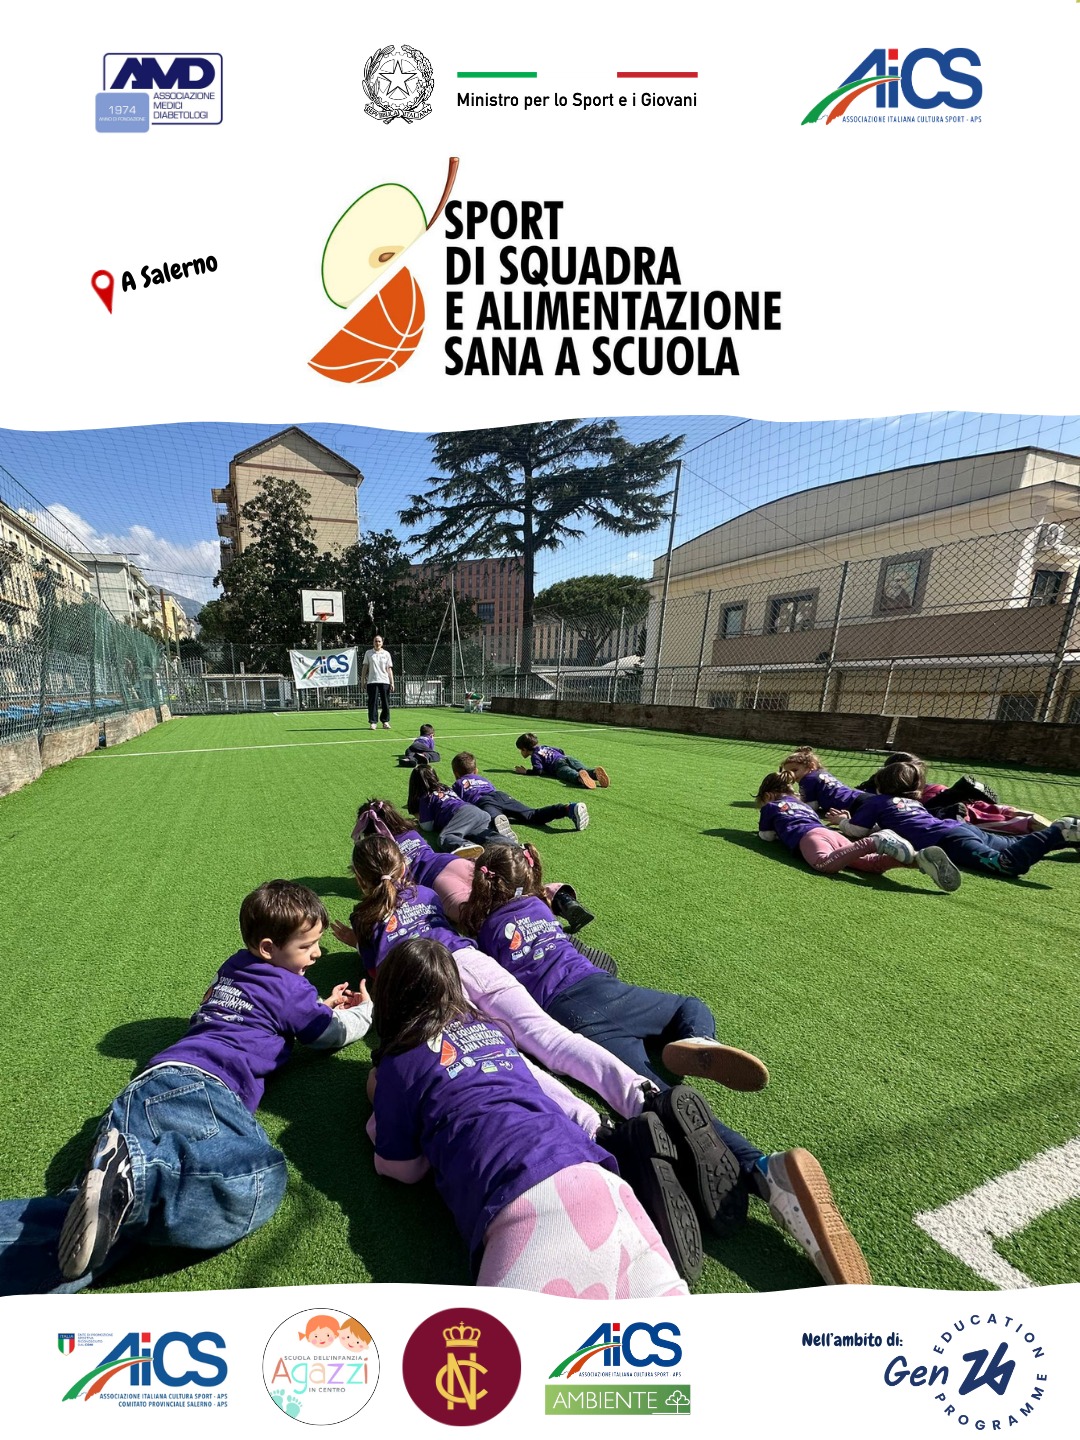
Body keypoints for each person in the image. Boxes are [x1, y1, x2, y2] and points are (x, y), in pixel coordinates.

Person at [458, 844, 873, 1286]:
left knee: (657, 1095)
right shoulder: (540, 908)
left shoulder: (484, 930)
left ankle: (764, 1172)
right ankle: (697, 1039)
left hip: (569, 1013)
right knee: (687, 1005)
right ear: (530, 876)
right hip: (607, 987)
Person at [0, 882, 371, 1296]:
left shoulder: (234, 966)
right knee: (257, 1180)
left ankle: (123, 1178)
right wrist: (365, 1010)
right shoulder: (292, 989)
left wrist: (318, 1006)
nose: (317, 954)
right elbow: (329, 1035)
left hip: (147, 1089)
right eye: (307, 946)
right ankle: (138, 1172)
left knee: (91, 1235)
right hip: (203, 1090)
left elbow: (262, 1011)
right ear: (269, 948)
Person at [367, 937, 690, 1295]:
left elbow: (401, 1169)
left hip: (524, 1201)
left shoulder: (399, 1066)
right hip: (595, 1173)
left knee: (512, 1333)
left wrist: (378, 1106)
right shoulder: (491, 1029)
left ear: (389, 997)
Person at [351, 796, 595, 931]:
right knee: (499, 887)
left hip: (435, 881)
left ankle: (539, 935)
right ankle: (560, 898)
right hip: (451, 862)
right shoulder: (411, 831)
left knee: (475, 916)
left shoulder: (377, 852)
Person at [837, 760, 1080, 878]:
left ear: (880, 784)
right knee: (1016, 845)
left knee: (1006, 864)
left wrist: (841, 822)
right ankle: (1069, 835)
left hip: (950, 840)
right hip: (960, 828)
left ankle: (1059, 830)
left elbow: (857, 831)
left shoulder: (876, 802)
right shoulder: (914, 803)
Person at [755, 771, 961, 891]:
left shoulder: (771, 806)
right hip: (830, 833)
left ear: (768, 795)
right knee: (870, 863)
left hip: (808, 836)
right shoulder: (805, 806)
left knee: (824, 863)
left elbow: (767, 836)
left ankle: (875, 842)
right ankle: (919, 859)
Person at [452, 751, 589, 832]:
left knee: (489, 819)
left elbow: (459, 805)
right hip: (500, 795)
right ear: (476, 771)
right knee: (532, 814)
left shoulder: (458, 784)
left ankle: (498, 821)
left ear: (456, 774)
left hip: (483, 802)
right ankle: (568, 808)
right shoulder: (483, 779)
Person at [413, 762, 519, 852]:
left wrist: (419, 818)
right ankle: (514, 846)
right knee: (480, 836)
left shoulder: (426, 796)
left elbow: (427, 826)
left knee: (445, 838)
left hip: (461, 815)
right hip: (477, 812)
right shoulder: (446, 788)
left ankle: (467, 846)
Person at [515, 732, 609, 790]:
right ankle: (594, 773)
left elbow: (538, 770)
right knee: (583, 768)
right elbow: (560, 750)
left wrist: (526, 771)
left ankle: (579, 778)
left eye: (520, 750)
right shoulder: (544, 747)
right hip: (567, 758)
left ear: (524, 749)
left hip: (557, 766)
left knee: (569, 773)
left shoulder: (535, 756)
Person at [360, 635, 394, 730]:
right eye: (375, 641)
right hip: (372, 681)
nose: (377, 643)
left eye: (379, 641)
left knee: (385, 702)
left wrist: (392, 682)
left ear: (382, 643)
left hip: (384, 681)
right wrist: (362, 680)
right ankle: (373, 722)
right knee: (372, 702)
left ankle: (385, 721)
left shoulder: (386, 654)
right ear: (373, 642)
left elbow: (389, 669)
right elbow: (365, 667)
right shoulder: (368, 653)